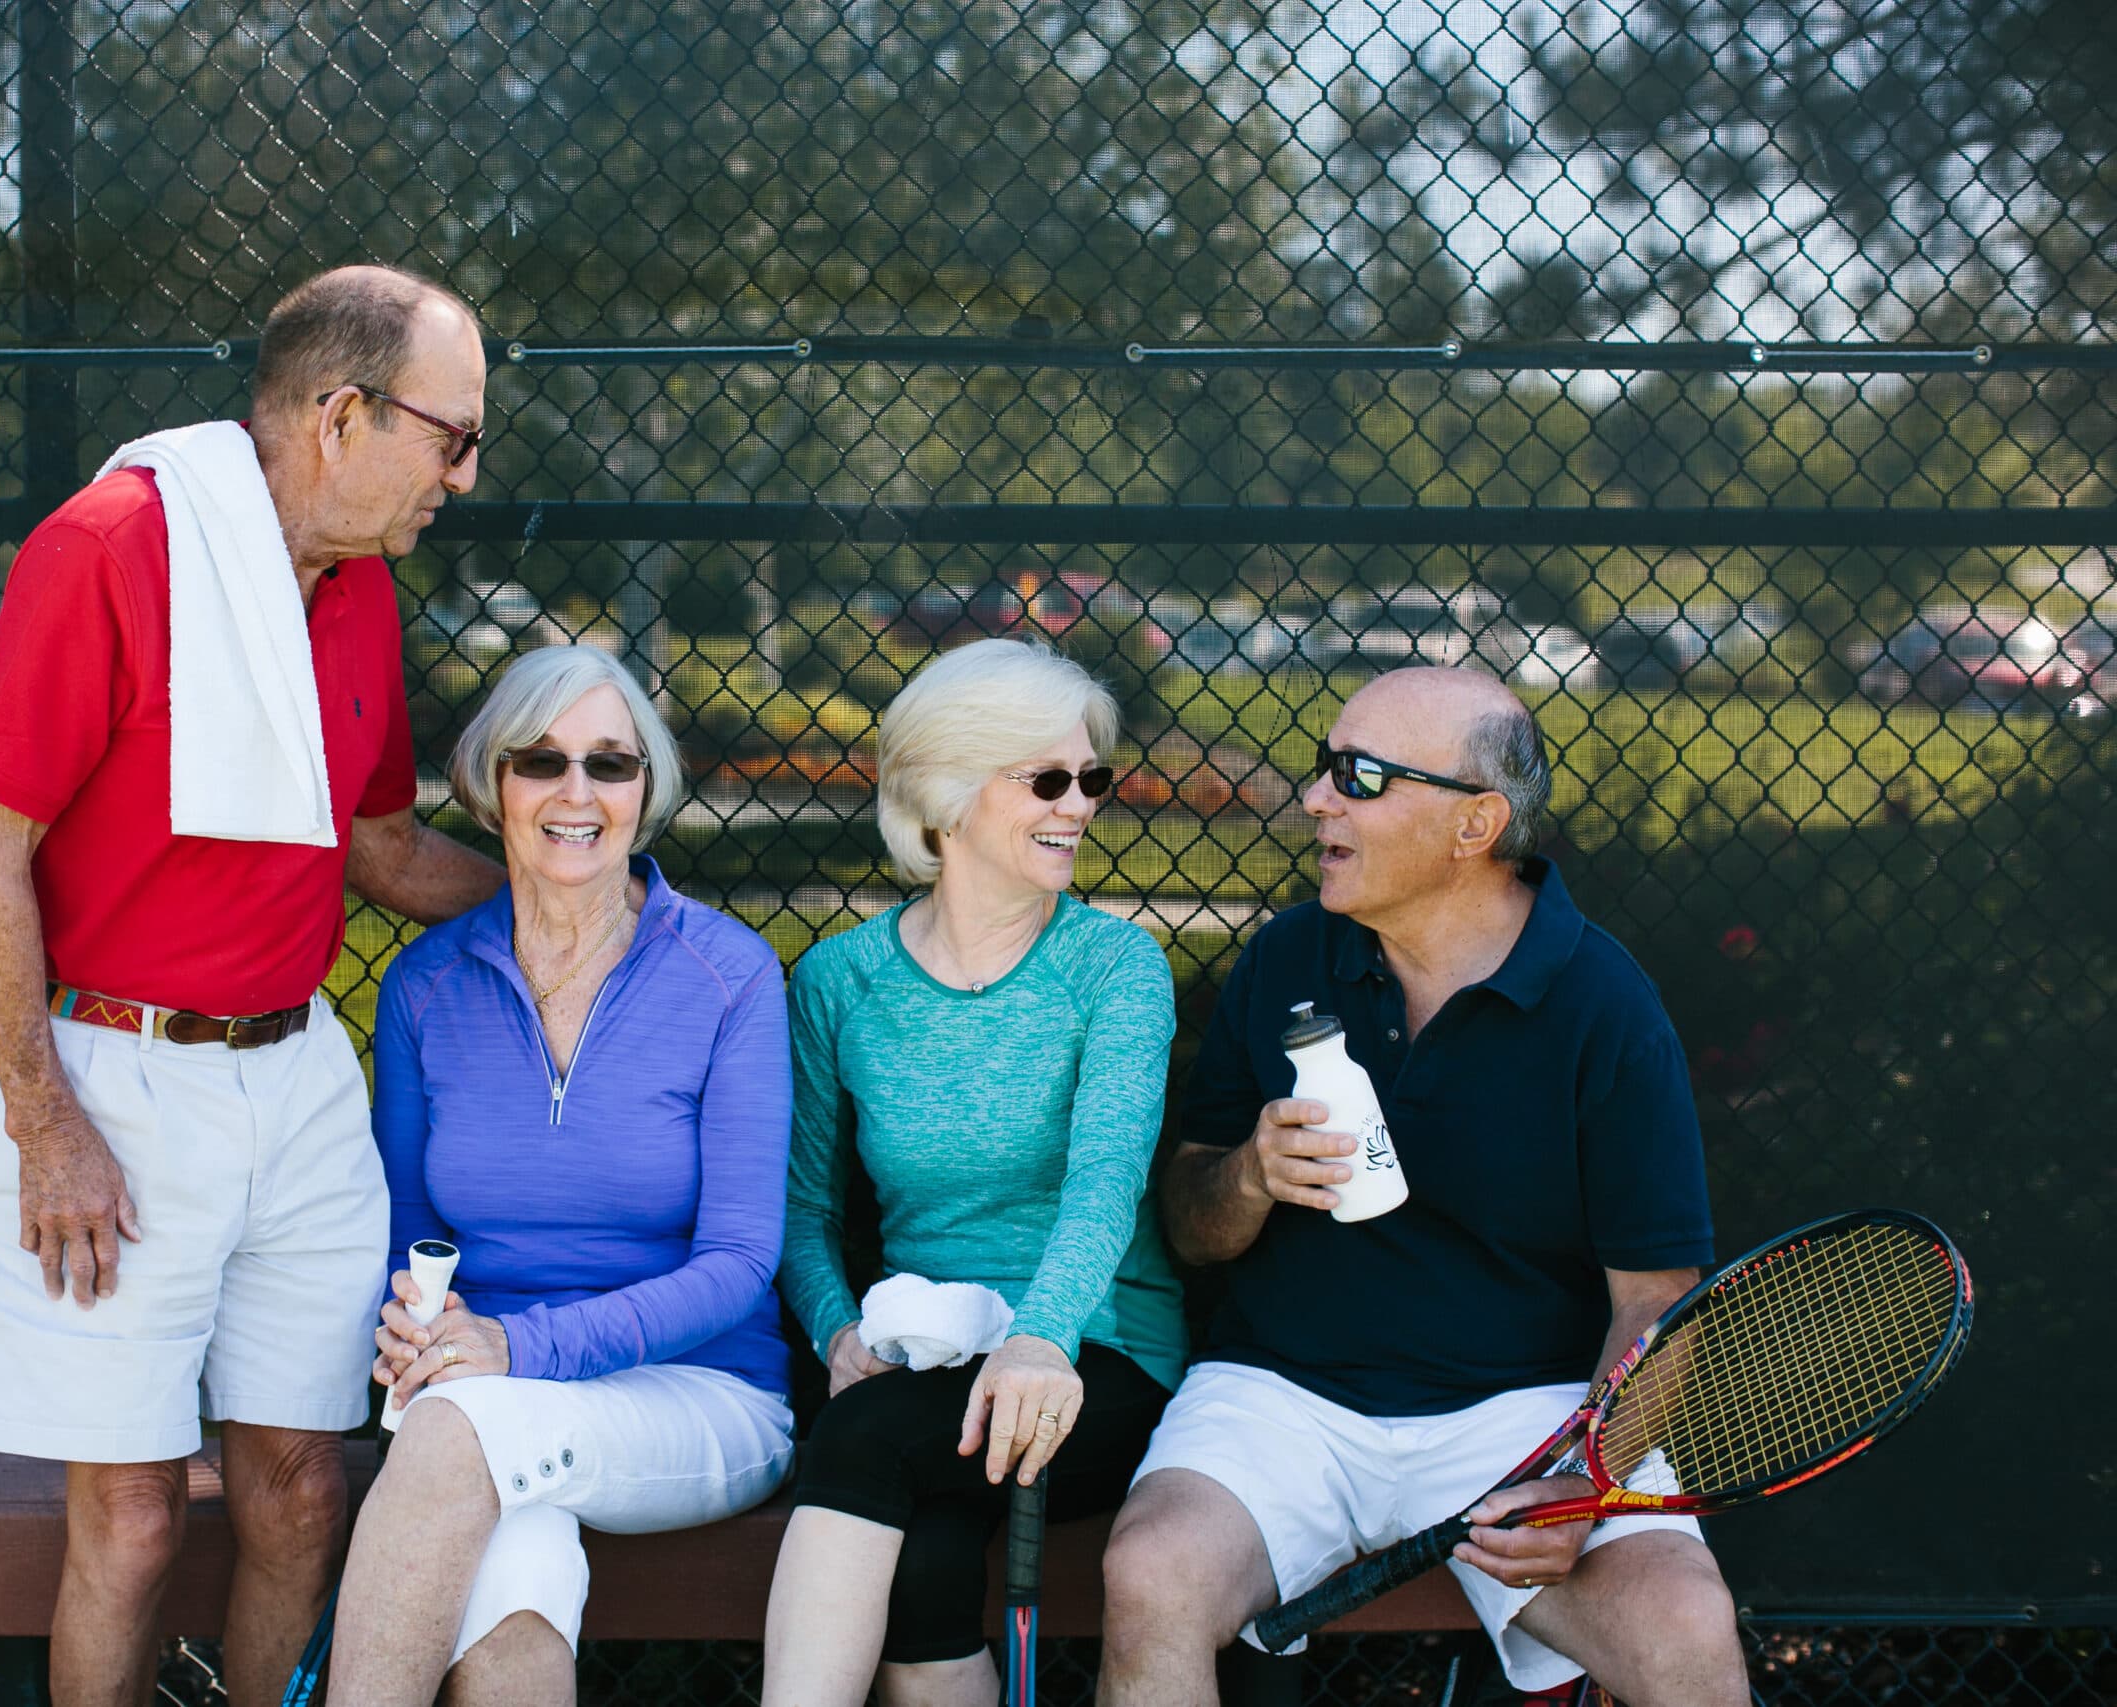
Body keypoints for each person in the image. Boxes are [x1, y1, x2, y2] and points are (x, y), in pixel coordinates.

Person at [0, 264, 504, 1707]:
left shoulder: (362, 587)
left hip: (299, 1079)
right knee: (128, 1521)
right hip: (112, 1085)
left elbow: (378, 847)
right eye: (453, 434)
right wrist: (45, 1120)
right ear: (341, 412)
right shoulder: (114, 542)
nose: (467, 474)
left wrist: (577, 880)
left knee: (305, 1487)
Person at [1098, 666, 1748, 1707]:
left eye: (1357, 776)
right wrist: (1251, 1176)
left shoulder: (1603, 1006)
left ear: (1473, 824)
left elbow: (1655, 1296)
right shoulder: (1285, 958)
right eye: (1323, 769)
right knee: (1151, 1576)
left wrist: (1582, 1483)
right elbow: (1192, 1228)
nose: (1315, 799)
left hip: (1525, 1412)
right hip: (1284, 1398)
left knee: (1683, 1622)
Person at [329, 644, 797, 1707]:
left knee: (456, 1436)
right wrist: (411, 1321)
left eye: (611, 765)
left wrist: (518, 1347)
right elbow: (411, 1232)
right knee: (509, 1625)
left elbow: (738, 1261)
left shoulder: (727, 976)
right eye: (541, 762)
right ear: (494, 786)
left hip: (701, 1395)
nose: (576, 793)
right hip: (489, 1399)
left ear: (648, 789)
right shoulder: (427, 984)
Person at [762, 637, 1186, 1707]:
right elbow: (802, 1207)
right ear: (946, 798)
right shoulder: (840, 982)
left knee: (865, 1443)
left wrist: (1042, 1339)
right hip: (928, 1351)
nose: (1080, 805)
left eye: (1091, 777)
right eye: (1045, 778)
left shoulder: (1114, 965)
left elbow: (1105, 1185)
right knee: (925, 1564)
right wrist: (837, 1332)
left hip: (1093, 1351)